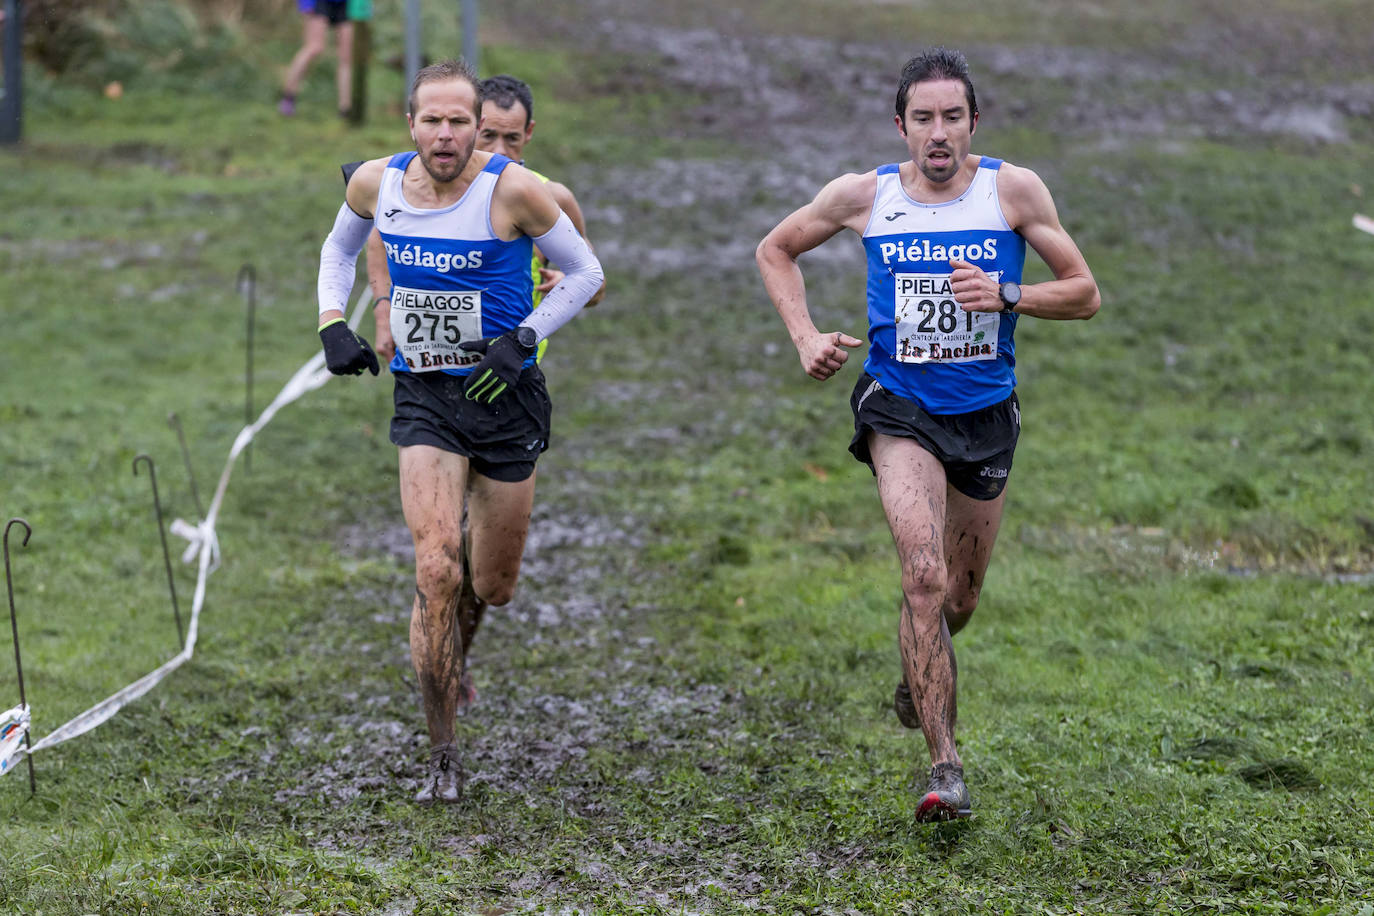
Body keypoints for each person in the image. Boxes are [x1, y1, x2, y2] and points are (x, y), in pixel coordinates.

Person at [755, 47, 1099, 822]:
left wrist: (1007, 293)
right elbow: (774, 249)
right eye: (923, 119)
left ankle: (921, 668)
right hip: (898, 406)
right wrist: (804, 334)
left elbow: (1085, 292)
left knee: (961, 599)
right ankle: (945, 771)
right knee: (922, 575)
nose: (938, 133)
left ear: (973, 124)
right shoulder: (863, 196)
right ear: (901, 127)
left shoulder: (1012, 190)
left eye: (952, 117)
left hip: (984, 415)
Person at [313, 59, 604, 804]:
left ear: (479, 129)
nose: (446, 134)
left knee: (492, 584)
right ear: (410, 123)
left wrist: (522, 340)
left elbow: (587, 275)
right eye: (431, 120)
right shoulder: (375, 183)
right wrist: (333, 323)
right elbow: (340, 246)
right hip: (427, 397)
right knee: (435, 570)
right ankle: (442, 752)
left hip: (506, 400)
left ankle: (473, 596)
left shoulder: (516, 191)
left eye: (460, 122)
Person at [364, 73, 603, 367]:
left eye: (512, 138)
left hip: (509, 374)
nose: (500, 150)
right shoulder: (424, 191)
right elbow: (377, 242)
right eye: (490, 136)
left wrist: (568, 284)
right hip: (430, 373)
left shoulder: (552, 198)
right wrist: (382, 313)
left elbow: (595, 286)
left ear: (529, 132)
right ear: (473, 127)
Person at [279, 0, 354, 118]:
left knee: (346, 57)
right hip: (320, 3)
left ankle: (345, 108)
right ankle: (288, 96)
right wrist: (305, 5)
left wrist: (363, 8)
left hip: (347, 4)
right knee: (314, 48)